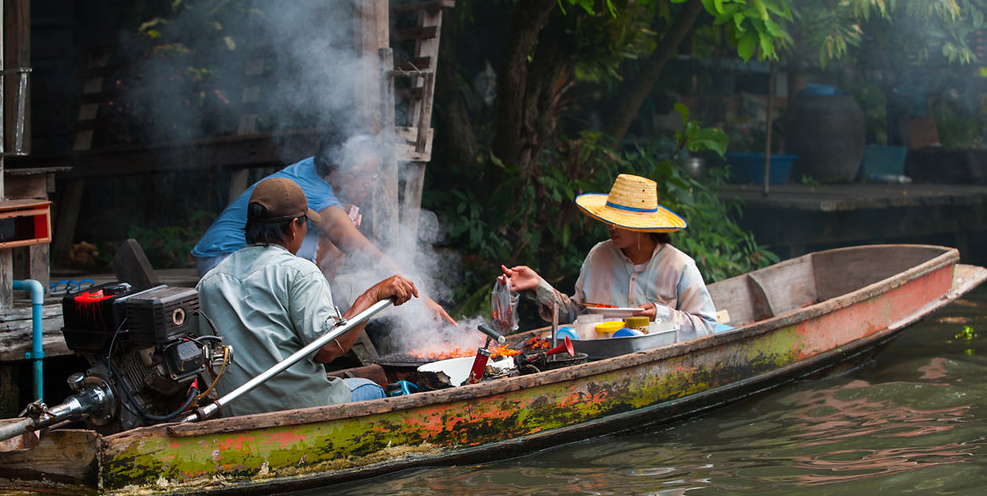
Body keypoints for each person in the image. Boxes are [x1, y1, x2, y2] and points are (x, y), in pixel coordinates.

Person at [197, 177, 419, 417]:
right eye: (305, 225)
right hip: (301, 411)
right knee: (372, 389)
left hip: (237, 412)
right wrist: (372, 295)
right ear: (294, 226)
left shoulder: (209, 282)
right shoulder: (299, 272)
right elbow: (328, 348)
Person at [191, 130, 454, 324]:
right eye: (360, 176)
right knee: (344, 234)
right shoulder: (318, 194)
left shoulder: (314, 170)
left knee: (344, 226)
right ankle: (315, 317)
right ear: (334, 170)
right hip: (225, 264)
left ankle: (318, 309)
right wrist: (424, 300)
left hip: (248, 262)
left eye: (373, 175)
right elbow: (365, 252)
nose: (368, 183)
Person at [500, 173, 719, 341]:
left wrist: (660, 315)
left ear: (643, 226)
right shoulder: (598, 255)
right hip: (600, 358)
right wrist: (538, 285)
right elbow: (576, 315)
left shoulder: (680, 266)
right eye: (610, 219)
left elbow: (707, 326)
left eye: (620, 221)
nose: (612, 227)